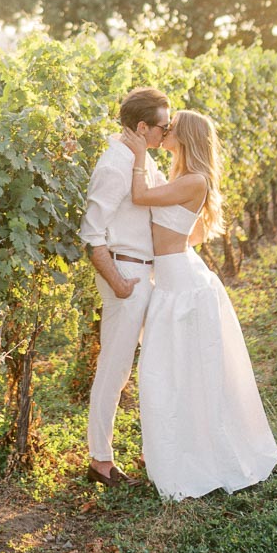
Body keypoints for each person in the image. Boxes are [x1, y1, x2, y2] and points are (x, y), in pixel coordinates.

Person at [125, 110, 277, 500]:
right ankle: (180, 451)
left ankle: (203, 457)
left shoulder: (194, 180)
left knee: (192, 372)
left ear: (188, 136)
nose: (167, 130)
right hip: (175, 279)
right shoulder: (184, 179)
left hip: (183, 287)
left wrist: (139, 153)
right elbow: (185, 235)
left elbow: (140, 196)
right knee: (170, 372)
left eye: (173, 126)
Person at [80, 86, 172, 486]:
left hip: (146, 273)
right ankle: (100, 461)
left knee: (144, 367)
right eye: (162, 128)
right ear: (141, 126)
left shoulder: (140, 157)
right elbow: (91, 235)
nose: (166, 135)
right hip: (127, 275)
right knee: (114, 370)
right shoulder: (114, 165)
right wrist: (119, 285)